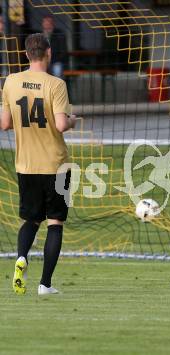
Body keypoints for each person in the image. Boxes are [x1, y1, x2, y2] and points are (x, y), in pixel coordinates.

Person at [1, 33, 76, 295]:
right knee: (55, 222)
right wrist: (72, 119)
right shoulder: (55, 84)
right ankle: (45, 284)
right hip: (55, 164)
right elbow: (61, 125)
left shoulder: (11, 81)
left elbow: (5, 123)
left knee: (31, 220)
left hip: (26, 165)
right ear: (49, 53)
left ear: (25, 54)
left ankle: (22, 256)